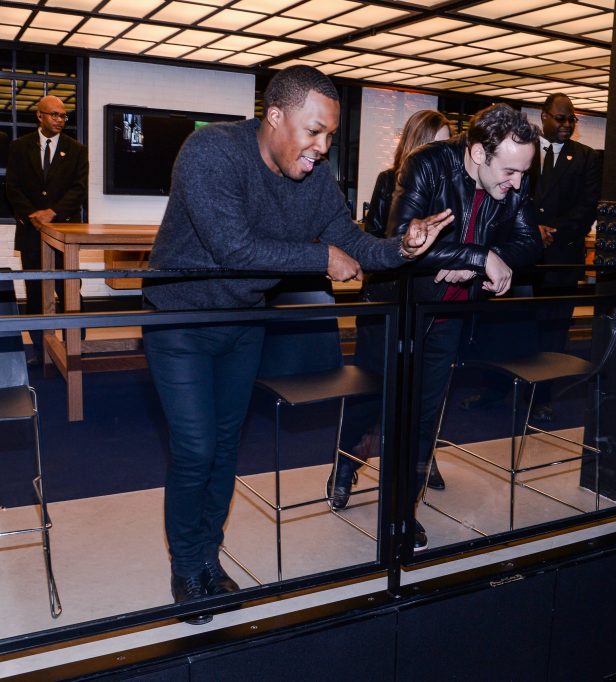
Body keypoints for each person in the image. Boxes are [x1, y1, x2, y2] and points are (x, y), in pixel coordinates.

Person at [141, 65, 452, 622]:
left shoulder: (313, 179)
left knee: (226, 444)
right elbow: (232, 247)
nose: (321, 147)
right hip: (179, 321)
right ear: (275, 116)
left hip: (242, 321)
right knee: (195, 448)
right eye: (313, 131)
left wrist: (404, 247)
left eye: (330, 135)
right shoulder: (211, 152)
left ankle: (208, 559)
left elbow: (353, 243)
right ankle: (187, 567)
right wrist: (319, 259)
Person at [329, 104, 543, 551]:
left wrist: (475, 263)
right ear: (480, 153)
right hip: (396, 309)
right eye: (510, 172)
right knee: (372, 402)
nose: (518, 184)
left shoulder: (514, 174)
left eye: (523, 173)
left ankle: (401, 512)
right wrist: (478, 257)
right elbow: (402, 243)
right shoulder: (426, 165)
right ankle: (345, 467)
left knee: (424, 417)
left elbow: (528, 242)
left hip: (446, 317)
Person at [329, 110, 453, 506]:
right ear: (416, 144)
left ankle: (419, 461)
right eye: (437, 142)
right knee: (371, 394)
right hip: (386, 304)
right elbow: (378, 242)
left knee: (424, 398)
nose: (444, 151)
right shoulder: (390, 181)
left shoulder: (458, 190)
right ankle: (346, 466)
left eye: (449, 143)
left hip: (431, 308)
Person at [459, 93, 602, 422]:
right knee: (505, 330)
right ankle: (495, 388)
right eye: (561, 118)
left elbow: (587, 207)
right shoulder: (523, 150)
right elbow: (503, 195)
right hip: (519, 259)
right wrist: (530, 230)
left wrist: (550, 231)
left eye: (572, 120)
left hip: (560, 259)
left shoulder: (586, 158)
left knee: (552, 334)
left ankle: (541, 398)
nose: (567, 125)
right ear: (544, 117)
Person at [5, 95, 88, 364]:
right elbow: (12, 187)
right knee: (36, 291)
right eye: (54, 115)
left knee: (69, 289)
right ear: (39, 116)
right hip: (31, 231)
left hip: (65, 231)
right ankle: (42, 351)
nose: (60, 120)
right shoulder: (19, 147)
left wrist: (52, 212)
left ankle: (75, 347)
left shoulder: (76, 149)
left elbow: (79, 189)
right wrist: (33, 216)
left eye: (63, 116)